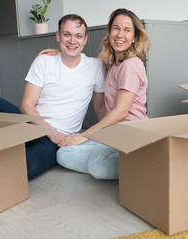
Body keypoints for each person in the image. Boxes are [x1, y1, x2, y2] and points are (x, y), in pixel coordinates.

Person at [0, 14, 106, 180]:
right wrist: (51, 131)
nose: (72, 40)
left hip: (57, 141)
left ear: (85, 39)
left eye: (78, 36)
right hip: (30, 123)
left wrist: (104, 136)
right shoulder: (44, 62)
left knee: (26, 165)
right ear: (58, 36)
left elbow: (100, 108)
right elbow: (26, 105)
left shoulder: (95, 67)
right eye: (66, 34)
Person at [42, 8, 150, 180]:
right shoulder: (114, 61)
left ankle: (143, 160)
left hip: (131, 134)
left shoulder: (131, 65)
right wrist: (62, 52)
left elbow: (121, 111)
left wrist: (84, 135)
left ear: (135, 36)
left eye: (127, 30)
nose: (120, 34)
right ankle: (118, 159)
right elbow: (87, 61)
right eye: (116, 28)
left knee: (98, 167)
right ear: (109, 32)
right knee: (63, 153)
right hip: (113, 134)